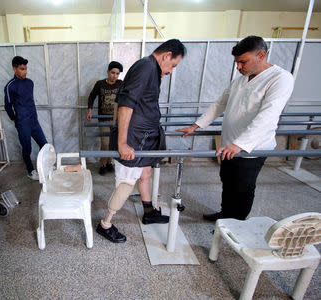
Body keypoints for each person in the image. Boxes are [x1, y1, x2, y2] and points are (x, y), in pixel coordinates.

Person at [176, 36, 294, 221]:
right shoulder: (241, 79)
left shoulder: (280, 78)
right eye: (237, 62)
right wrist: (197, 125)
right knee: (228, 182)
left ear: (261, 55)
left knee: (243, 187)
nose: (238, 67)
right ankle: (225, 215)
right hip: (229, 144)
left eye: (243, 62)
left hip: (251, 148)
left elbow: (268, 115)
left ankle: (236, 225)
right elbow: (220, 103)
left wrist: (239, 144)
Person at [96, 39, 186, 243]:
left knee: (145, 172)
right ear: (166, 55)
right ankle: (105, 224)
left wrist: (115, 127)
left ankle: (149, 211)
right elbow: (126, 105)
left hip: (143, 136)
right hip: (134, 138)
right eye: (173, 65)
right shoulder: (146, 67)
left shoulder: (151, 69)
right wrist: (122, 142)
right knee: (126, 181)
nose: (171, 71)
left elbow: (120, 99)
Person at [4, 56, 48, 180]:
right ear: (14, 69)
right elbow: (8, 106)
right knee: (27, 148)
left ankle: (45, 166)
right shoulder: (10, 86)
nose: (25, 72)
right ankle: (30, 171)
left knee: (44, 145)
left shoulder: (30, 83)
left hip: (34, 120)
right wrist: (15, 118)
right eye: (22, 69)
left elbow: (29, 101)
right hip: (22, 123)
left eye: (26, 69)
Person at [87, 61, 123, 175]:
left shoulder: (121, 84)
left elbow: (126, 98)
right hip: (103, 119)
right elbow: (92, 96)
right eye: (113, 73)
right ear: (108, 72)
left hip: (116, 119)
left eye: (117, 74)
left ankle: (109, 162)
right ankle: (102, 164)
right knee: (105, 144)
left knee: (113, 144)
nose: (115, 76)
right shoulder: (100, 84)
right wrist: (90, 110)